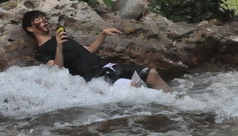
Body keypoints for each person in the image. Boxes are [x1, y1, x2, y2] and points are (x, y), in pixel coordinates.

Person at [21, 10, 172, 92]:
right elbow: (56, 70)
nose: (44, 20)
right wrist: (59, 47)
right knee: (135, 88)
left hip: (108, 67)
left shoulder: (61, 38)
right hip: (95, 79)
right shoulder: (41, 52)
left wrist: (103, 34)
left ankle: (179, 103)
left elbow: (89, 50)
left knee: (152, 74)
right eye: (38, 19)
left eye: (43, 17)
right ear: (30, 28)